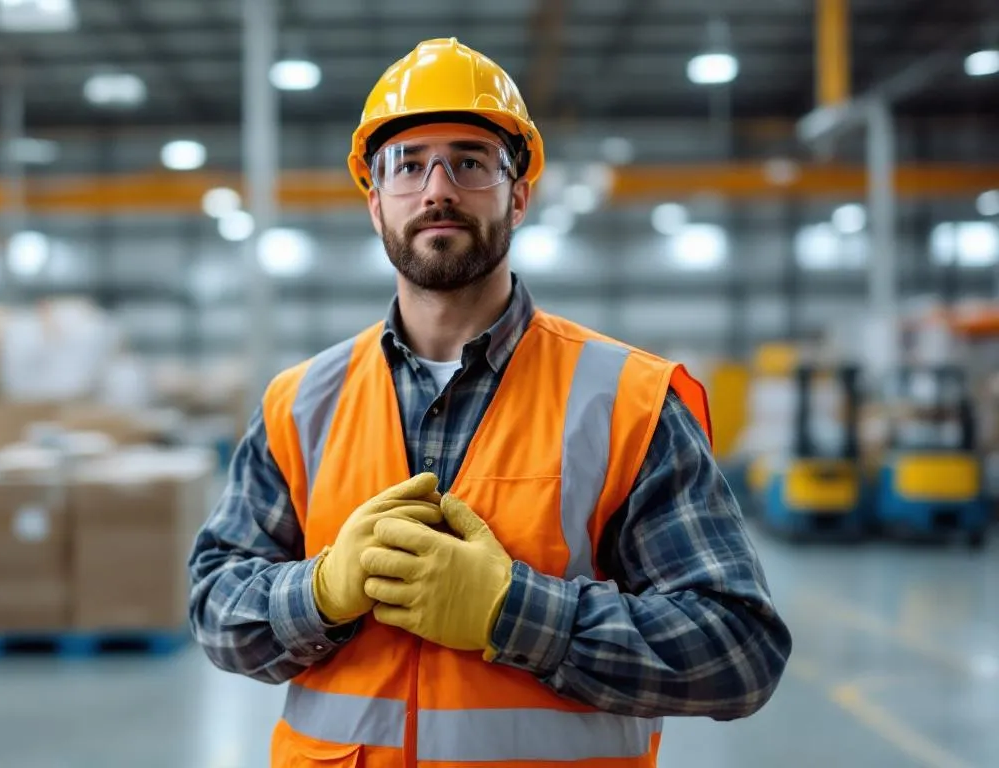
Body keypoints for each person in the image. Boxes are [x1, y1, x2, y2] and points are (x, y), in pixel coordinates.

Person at [188, 37, 791, 767]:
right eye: (408, 165)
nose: (437, 188)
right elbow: (215, 605)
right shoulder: (300, 404)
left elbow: (738, 651)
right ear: (375, 202)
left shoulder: (628, 402)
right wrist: (318, 590)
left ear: (519, 194)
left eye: (470, 162)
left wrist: (517, 614)